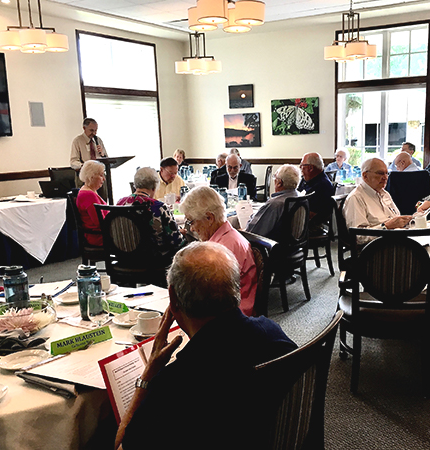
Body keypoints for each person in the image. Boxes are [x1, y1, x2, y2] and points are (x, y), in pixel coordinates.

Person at [115, 242, 297, 450]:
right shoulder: (273, 334)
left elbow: (121, 446)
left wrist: (149, 375)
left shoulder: (175, 382)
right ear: (235, 289)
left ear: (173, 299)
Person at [180, 186, 257, 316]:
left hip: (229, 316)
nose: (191, 229)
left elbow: (208, 294)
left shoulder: (224, 250)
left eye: (191, 221)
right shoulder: (222, 238)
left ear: (209, 218)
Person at [117, 167, 185, 263]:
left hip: (124, 258)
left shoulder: (120, 203)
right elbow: (176, 241)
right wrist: (182, 232)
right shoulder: (158, 207)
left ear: (135, 185)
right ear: (154, 187)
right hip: (154, 260)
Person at [343, 158, 412, 229]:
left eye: (387, 173)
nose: (385, 177)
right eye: (380, 173)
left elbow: (396, 218)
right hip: (381, 239)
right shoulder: (356, 198)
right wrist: (386, 226)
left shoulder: (385, 194)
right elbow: (360, 236)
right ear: (365, 176)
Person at [246, 165, 300, 241]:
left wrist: (251, 217)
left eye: (275, 177)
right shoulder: (300, 197)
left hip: (273, 246)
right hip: (294, 245)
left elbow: (253, 231)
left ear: (279, 183)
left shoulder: (275, 204)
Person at [298, 152, 336, 235]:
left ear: (310, 168)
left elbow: (311, 215)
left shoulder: (322, 185)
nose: (300, 168)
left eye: (302, 165)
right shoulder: (307, 180)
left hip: (311, 226)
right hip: (302, 218)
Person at [70, 118, 108, 199]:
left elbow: (107, 159)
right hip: (85, 177)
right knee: (87, 200)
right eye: (91, 130)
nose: (94, 133)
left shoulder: (98, 140)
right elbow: (73, 162)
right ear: (84, 128)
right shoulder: (77, 141)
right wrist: (86, 167)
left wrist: (102, 154)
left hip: (99, 177)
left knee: (102, 200)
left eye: (96, 130)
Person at [76, 160, 107, 247]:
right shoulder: (88, 195)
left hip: (102, 233)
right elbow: (100, 222)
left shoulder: (90, 191)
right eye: (101, 175)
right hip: (99, 236)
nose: (104, 179)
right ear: (91, 176)